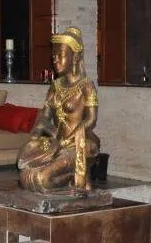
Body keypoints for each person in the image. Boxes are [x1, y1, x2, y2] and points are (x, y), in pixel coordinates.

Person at [17, 26, 100, 192]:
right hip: (56, 141)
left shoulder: (86, 86)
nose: (55, 60)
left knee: (41, 179)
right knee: (25, 177)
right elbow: (44, 118)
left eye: (60, 55)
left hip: (79, 144)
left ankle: (75, 179)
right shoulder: (55, 86)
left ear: (74, 57)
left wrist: (64, 142)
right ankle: (68, 179)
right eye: (53, 56)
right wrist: (37, 138)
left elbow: (91, 120)